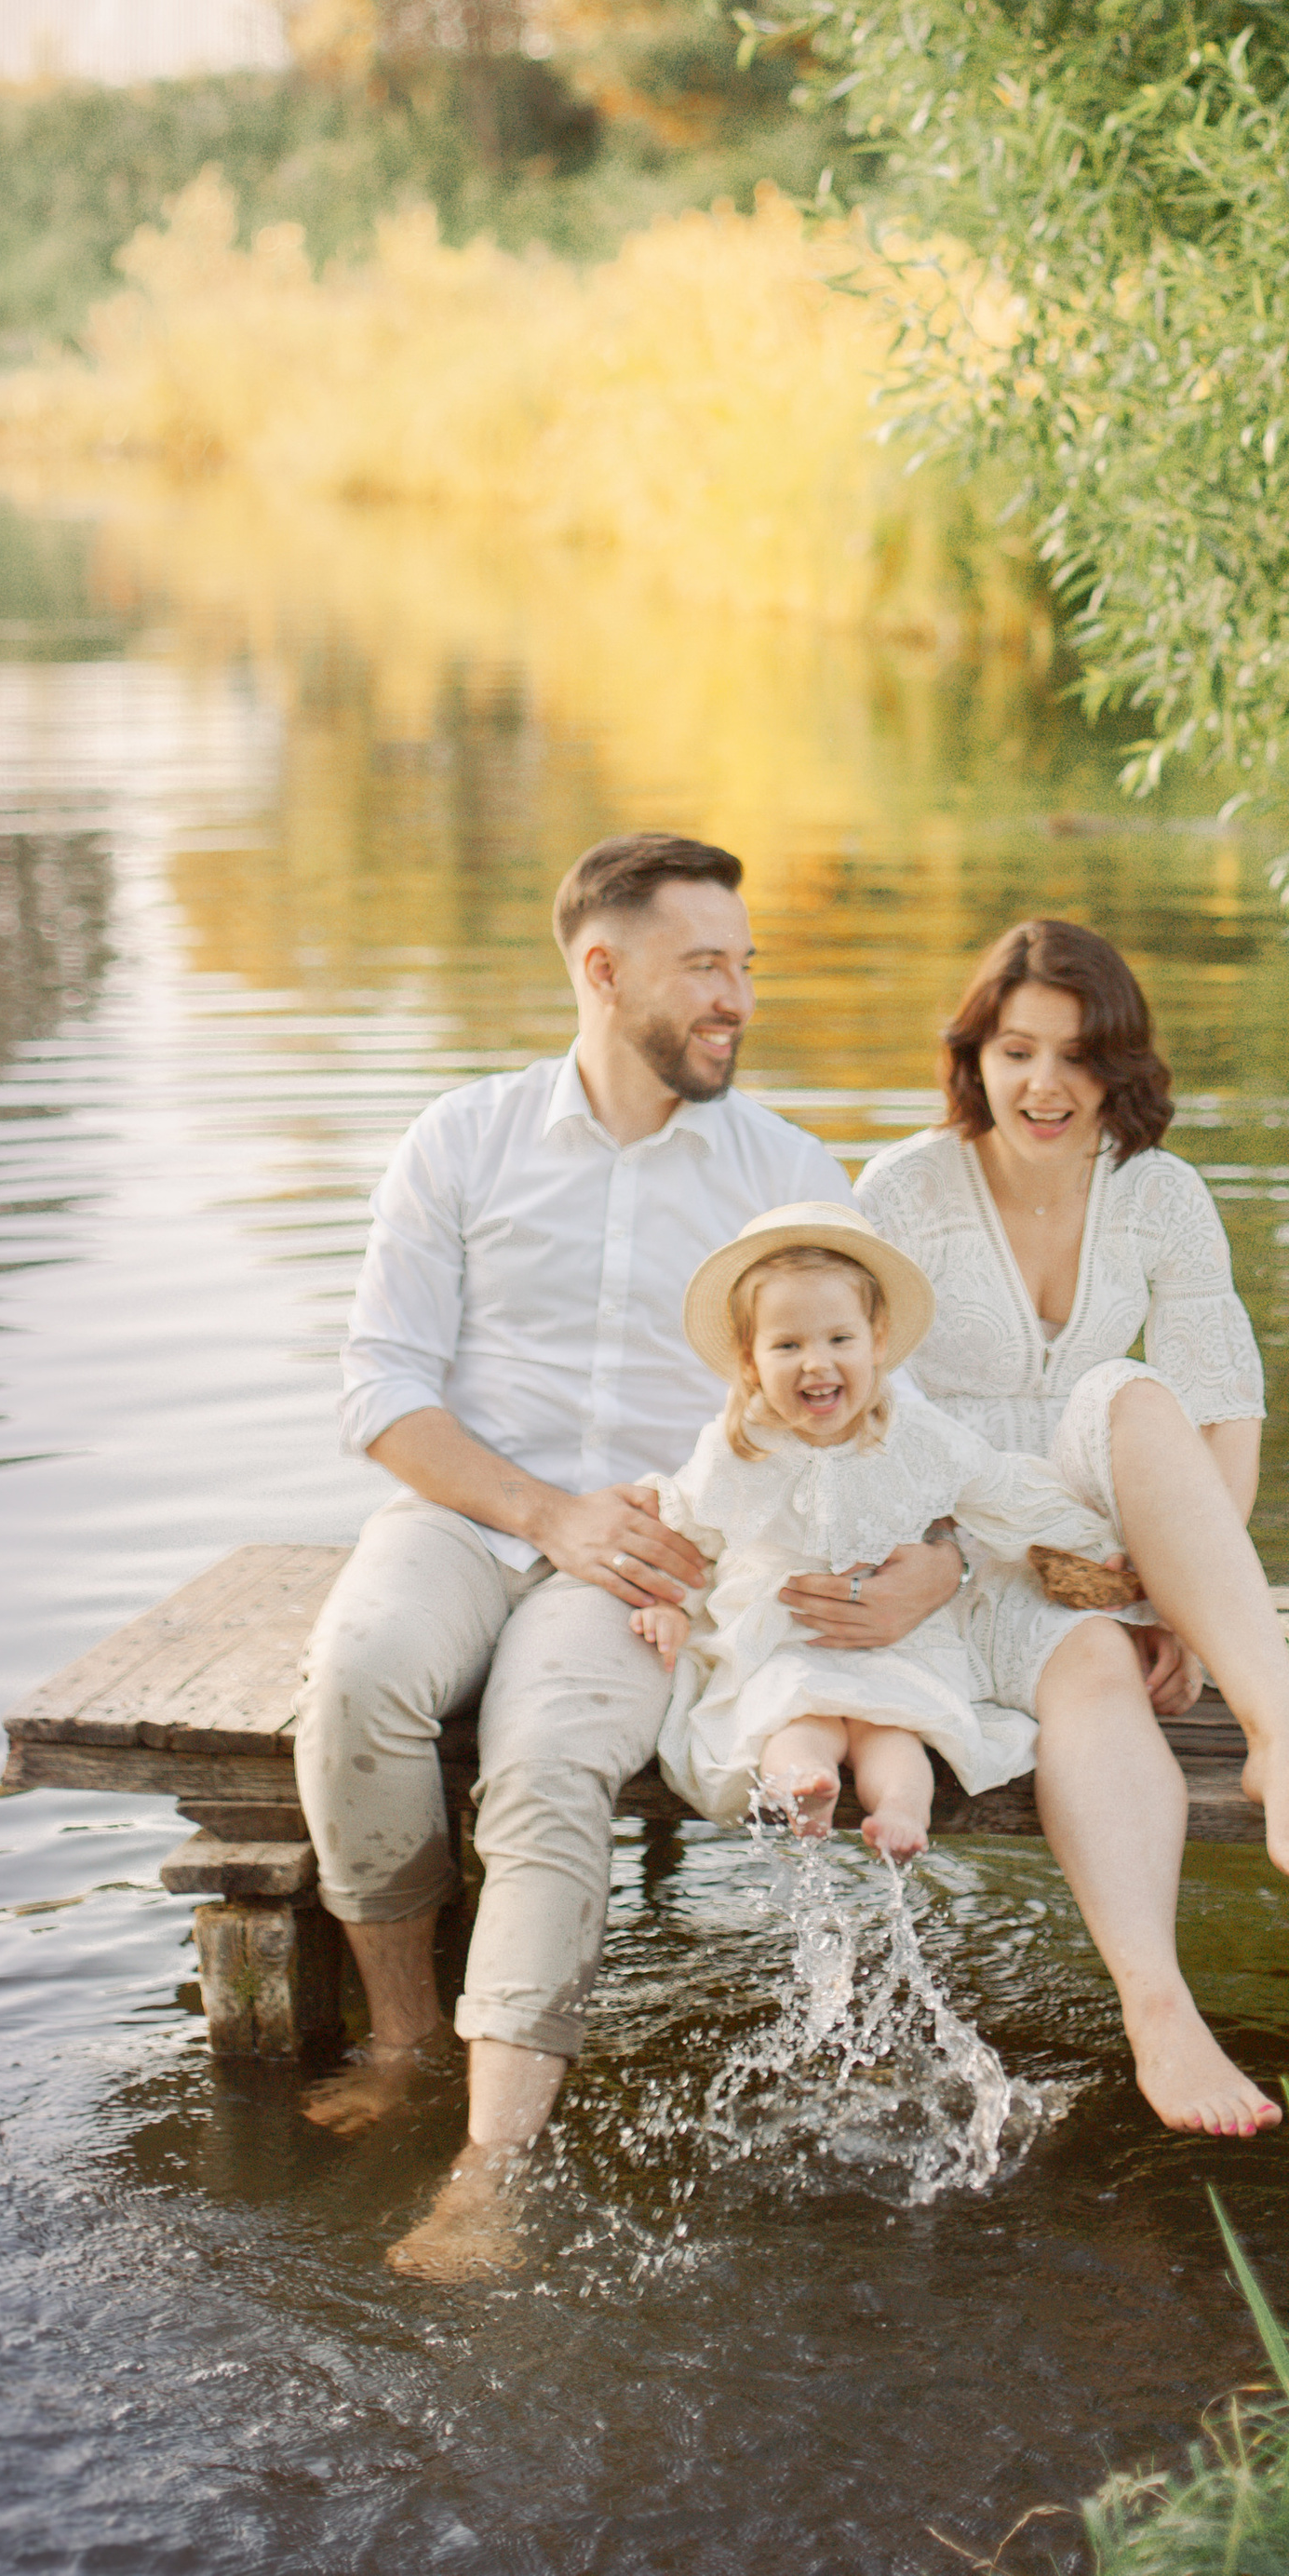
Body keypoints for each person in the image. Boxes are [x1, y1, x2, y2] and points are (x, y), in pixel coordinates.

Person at [293, 830, 965, 2278]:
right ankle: (407, 2038)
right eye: (703, 966)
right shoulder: (459, 1141)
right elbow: (380, 1394)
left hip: (666, 1555)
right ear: (602, 971)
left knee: (546, 1764)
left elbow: (869, 1406)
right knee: (354, 1677)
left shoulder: (787, 1169)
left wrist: (934, 1558)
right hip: (471, 1515)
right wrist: (544, 1515)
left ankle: (490, 2172)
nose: (737, 997)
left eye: (744, 966)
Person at [853, 918, 1289, 2140]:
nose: (1044, 1085)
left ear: (1117, 1068)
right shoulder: (903, 1191)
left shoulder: (1160, 1195)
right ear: (973, 1056)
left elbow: (1222, 1421)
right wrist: (976, 1563)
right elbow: (859, 1420)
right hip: (948, 1539)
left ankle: (1277, 1736)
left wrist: (1175, 1596)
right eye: (1016, 1051)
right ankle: (1159, 2009)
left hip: (1096, 1531)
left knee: (1132, 1394)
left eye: (1077, 1057)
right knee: (1088, 1669)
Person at [629, 1205, 1118, 1859]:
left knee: (893, 1729)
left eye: (839, 1339)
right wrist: (665, 1602)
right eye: (787, 1345)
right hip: (780, 1639)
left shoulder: (917, 1440)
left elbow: (1008, 1498)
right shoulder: (734, 1451)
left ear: (877, 1342)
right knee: (790, 1716)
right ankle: (808, 1784)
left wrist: (1097, 1544)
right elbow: (687, 1537)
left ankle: (900, 1813)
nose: (816, 1364)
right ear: (749, 1361)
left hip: (894, 1643)